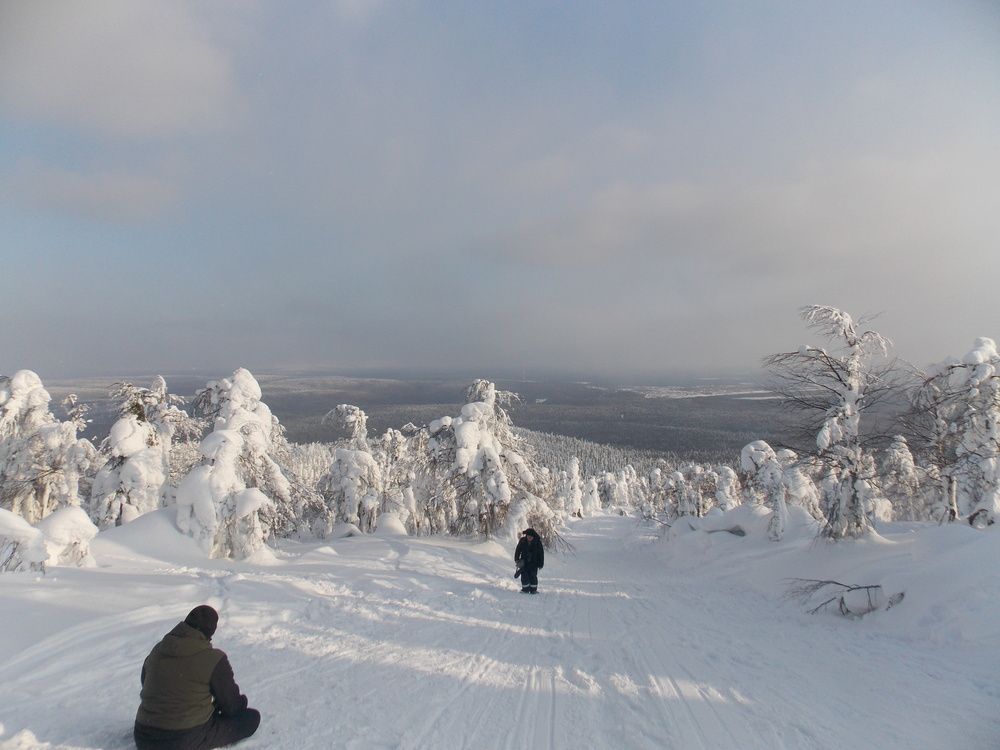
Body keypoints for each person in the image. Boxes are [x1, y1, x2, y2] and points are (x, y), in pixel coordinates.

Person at [134, 605, 260, 750]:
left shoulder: (158, 650)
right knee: (251, 718)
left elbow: (146, 682)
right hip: (182, 740)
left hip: (143, 735)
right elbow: (231, 706)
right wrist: (240, 704)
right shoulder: (213, 659)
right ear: (211, 631)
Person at [514, 528, 544, 594]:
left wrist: (541, 563)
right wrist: (516, 559)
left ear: (533, 536)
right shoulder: (522, 540)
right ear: (526, 535)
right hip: (524, 562)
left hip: (534, 563)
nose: (529, 538)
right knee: (524, 575)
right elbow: (518, 550)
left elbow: (541, 553)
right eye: (528, 536)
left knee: (533, 576)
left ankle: (533, 590)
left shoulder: (538, 542)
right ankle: (525, 589)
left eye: (530, 537)